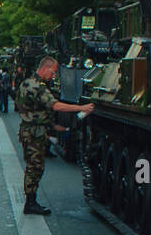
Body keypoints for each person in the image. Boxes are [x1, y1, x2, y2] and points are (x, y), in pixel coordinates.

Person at [16, 56, 94, 215]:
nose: (54, 76)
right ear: (45, 68)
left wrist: (56, 128)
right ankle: (30, 203)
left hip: (30, 130)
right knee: (35, 167)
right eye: (53, 72)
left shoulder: (27, 83)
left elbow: (34, 110)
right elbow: (55, 105)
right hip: (34, 132)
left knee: (34, 166)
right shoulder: (37, 86)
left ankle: (31, 201)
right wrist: (81, 108)